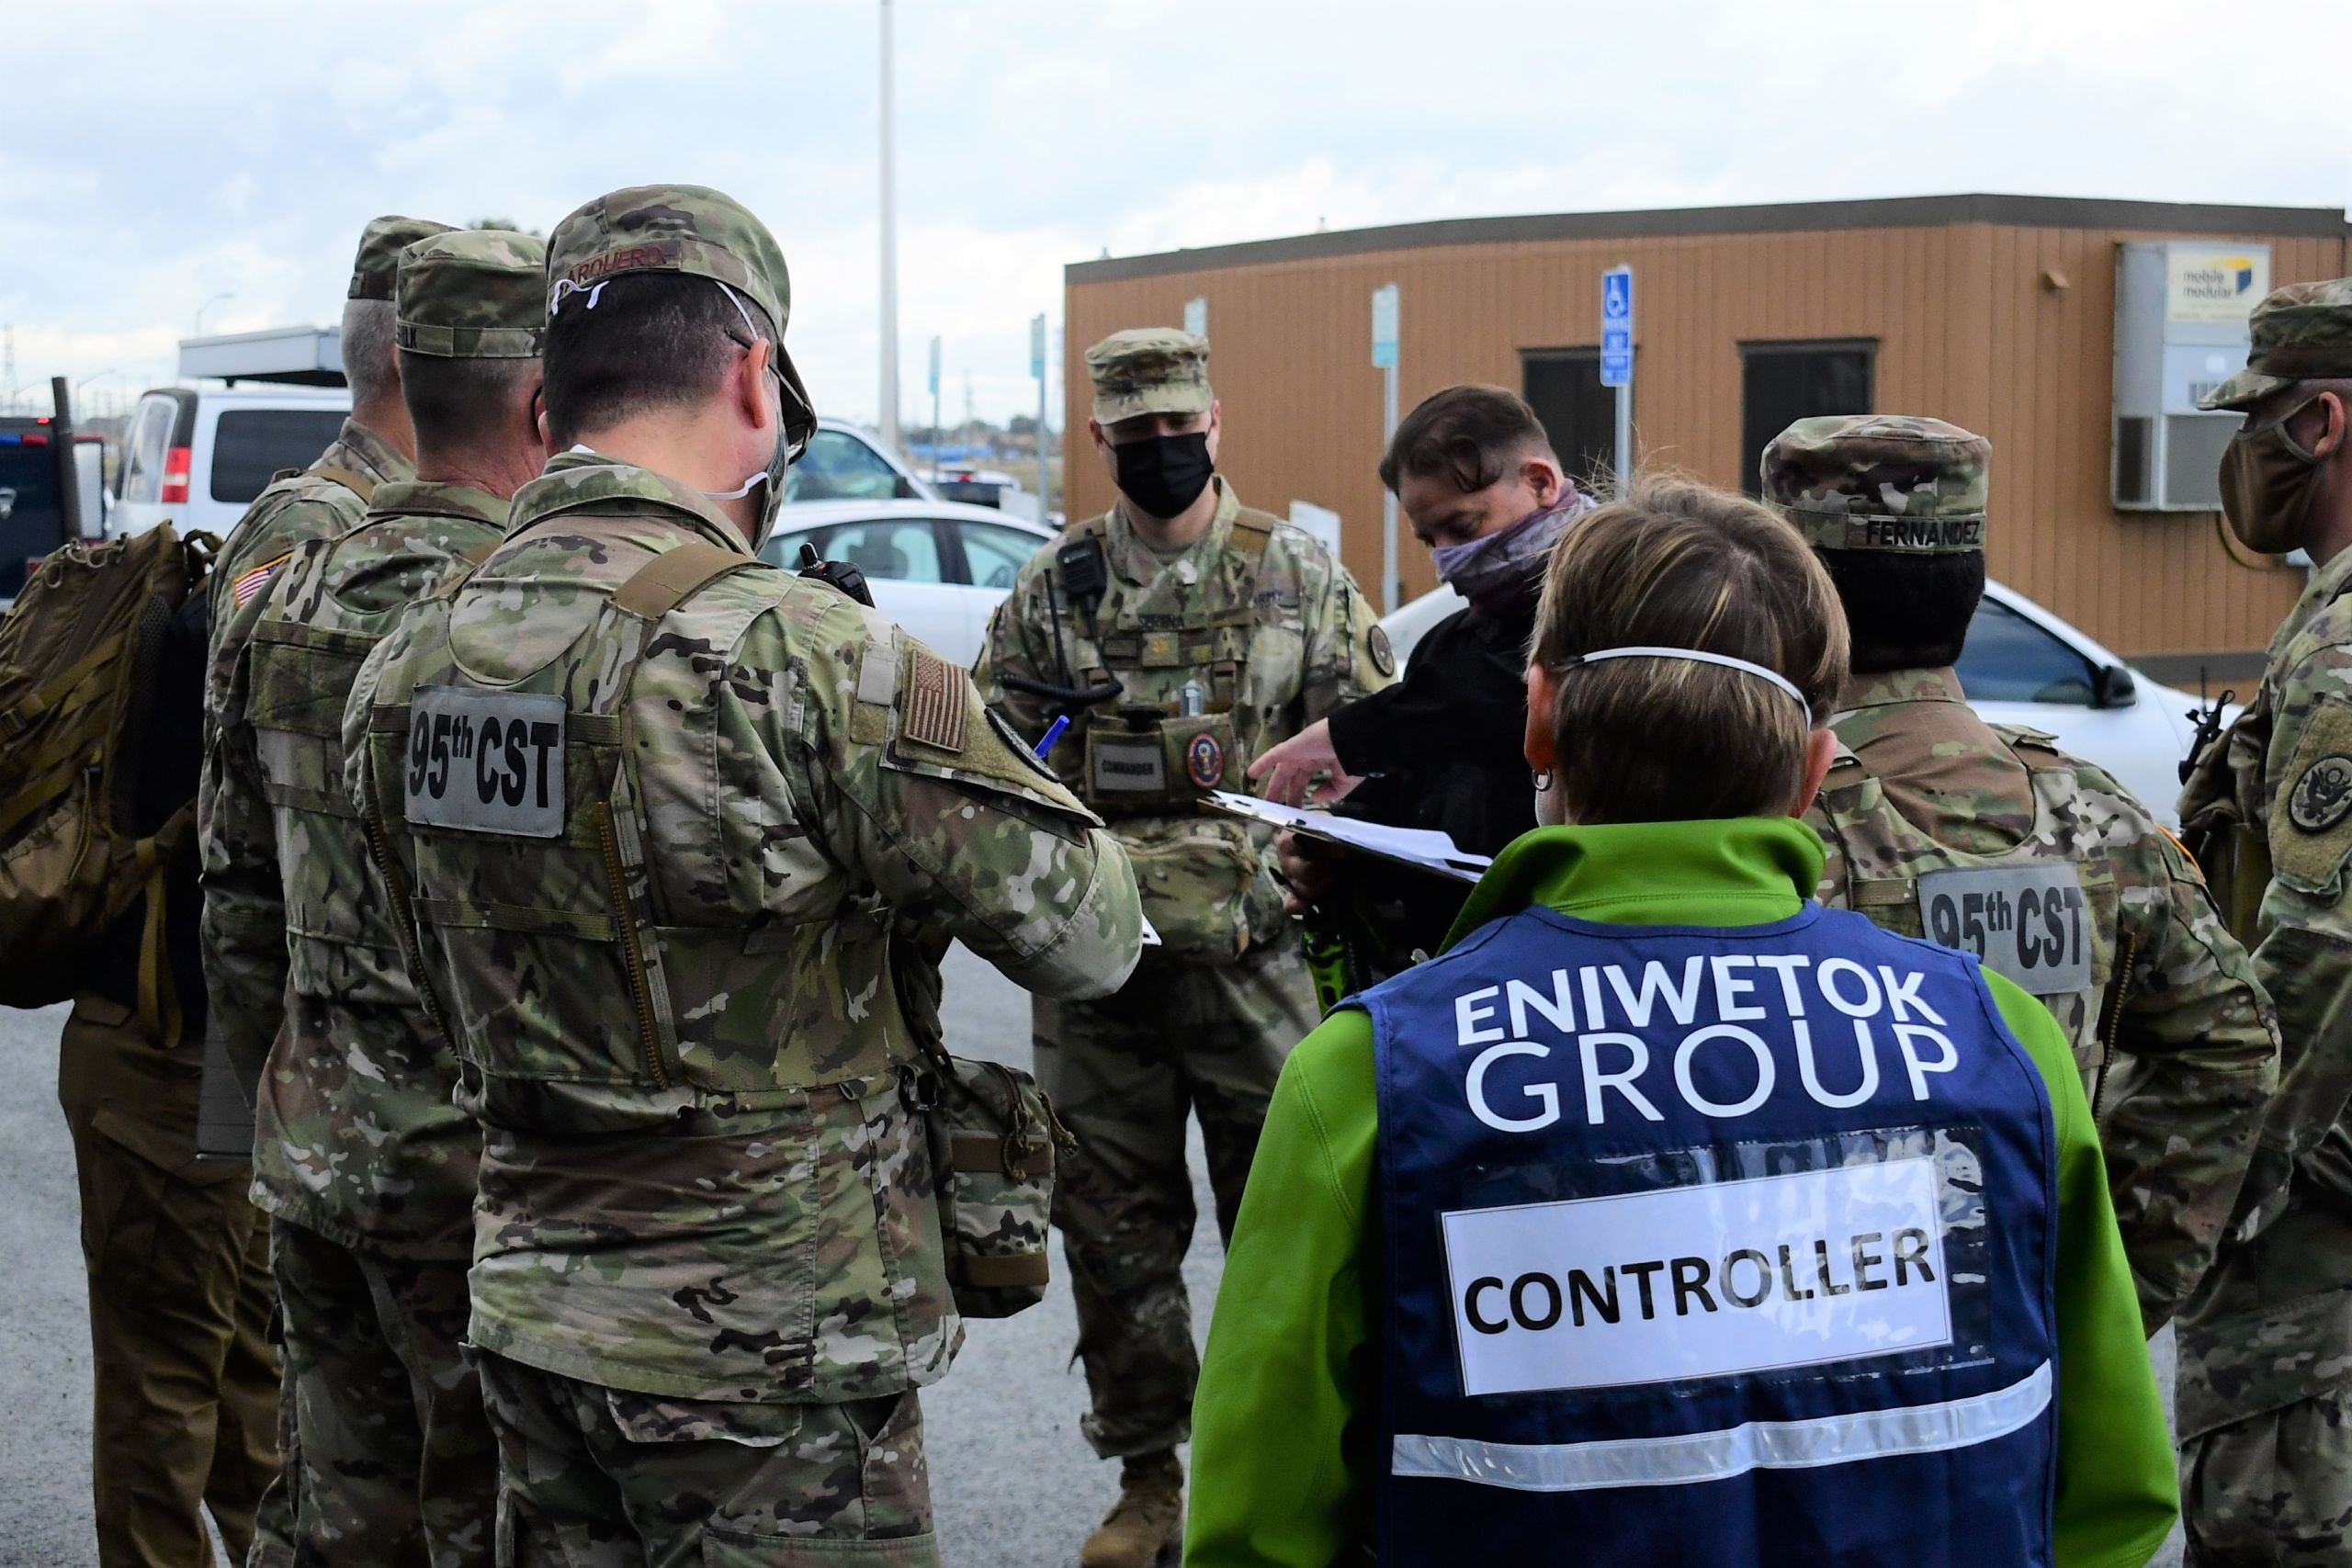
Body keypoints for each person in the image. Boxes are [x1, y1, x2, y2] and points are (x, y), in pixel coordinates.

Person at [345, 184, 1145, 1566]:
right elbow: (1095, 935)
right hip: (771, 1347)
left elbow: (419, 964)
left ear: (550, 402)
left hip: (531, 1311)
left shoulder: (408, 656)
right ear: (751, 373)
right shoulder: (800, 655)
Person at [1186, 477, 2177, 1568]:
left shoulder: (1374, 1077)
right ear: (1811, 771)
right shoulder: (1999, 1042)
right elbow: (2114, 1500)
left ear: (1538, 719)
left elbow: (1254, 1530)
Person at [973, 325, 1389, 1566]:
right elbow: (989, 762)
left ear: (1217, 423)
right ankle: (1149, 1479)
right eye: (1137, 433)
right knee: (1111, 1230)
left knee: (1299, 1227)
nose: (1163, 451)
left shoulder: (1299, 577)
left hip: (1261, 962)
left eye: (1179, 427)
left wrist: (1309, 864)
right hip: (1104, 973)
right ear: (1101, 438)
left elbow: (1375, 750)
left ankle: (1309, 1468)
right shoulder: (1055, 591)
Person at [204, 228, 549, 1566]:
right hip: (474, 1174)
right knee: (485, 1520)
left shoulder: (293, 598)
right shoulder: (520, 617)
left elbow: (234, 893)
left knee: (339, 1513)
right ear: (542, 401)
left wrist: (282, 1094)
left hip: (322, 1139)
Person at [1776, 413, 2278, 1335]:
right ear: (1969, 591)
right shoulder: (2099, 816)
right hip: (2026, 1335)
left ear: (1792, 600)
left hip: (1822, 1343)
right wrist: (2109, 1288)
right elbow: (2231, 1045)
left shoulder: (1772, 829)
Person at [2174, 276, 2352, 1565]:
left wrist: (2218, 1181)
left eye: (2258, 419)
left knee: (2270, 1507)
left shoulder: (2343, 643)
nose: (2244, 456)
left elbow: (2325, 945)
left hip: (2315, 1208)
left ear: (2323, 422)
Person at [60, 570, 281, 1567]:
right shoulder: (278, 590)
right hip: (172, 1045)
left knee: (250, 1368)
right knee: (166, 1385)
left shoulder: (270, 575)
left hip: (224, 1053)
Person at [1251, 385, 1590, 976]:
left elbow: (1512, 691)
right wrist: (1332, 849)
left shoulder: (1631, 619)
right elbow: (1416, 816)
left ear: (1540, 482)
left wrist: (1353, 735)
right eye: (1430, 539)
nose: (1447, 558)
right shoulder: (1450, 646)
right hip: (1447, 980)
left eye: (1462, 526)